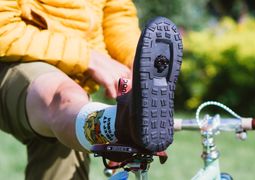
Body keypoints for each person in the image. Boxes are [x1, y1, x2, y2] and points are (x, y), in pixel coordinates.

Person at [0, 0, 183, 179]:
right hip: (12, 60)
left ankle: (121, 123)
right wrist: (87, 57)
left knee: (73, 125)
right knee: (64, 97)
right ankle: (121, 125)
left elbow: (116, 12)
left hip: (75, 95)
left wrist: (136, 65)